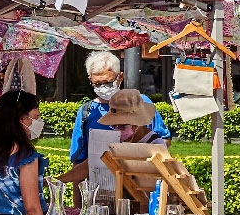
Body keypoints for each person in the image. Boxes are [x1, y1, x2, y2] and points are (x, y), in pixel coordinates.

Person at [61, 50, 168, 197]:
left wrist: (134, 153)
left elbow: (163, 146)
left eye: (108, 82)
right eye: (97, 83)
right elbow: (82, 164)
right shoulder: (86, 112)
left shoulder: (138, 103)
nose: (103, 87)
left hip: (141, 194)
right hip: (101, 194)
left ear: (120, 77)